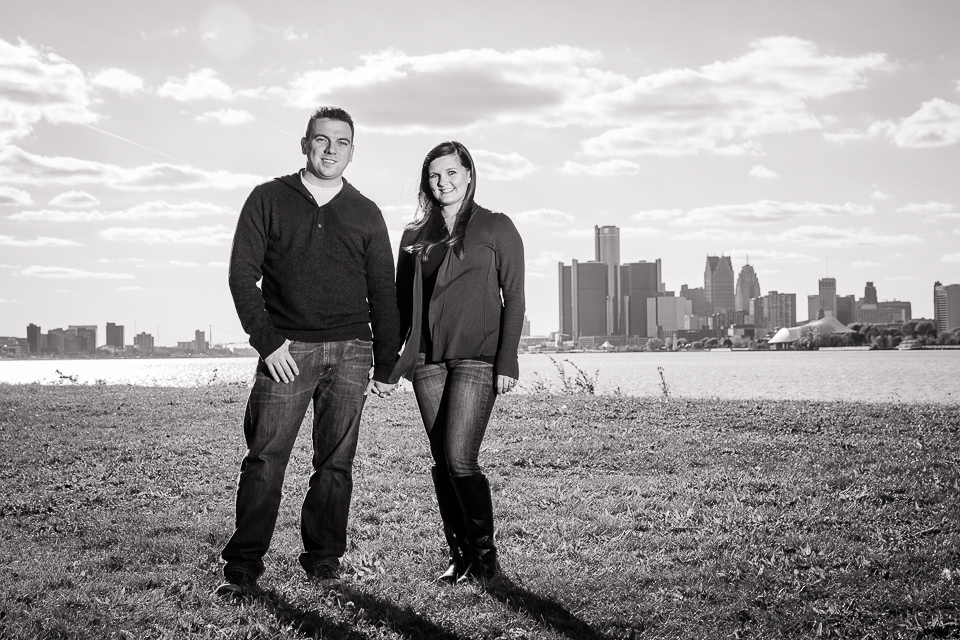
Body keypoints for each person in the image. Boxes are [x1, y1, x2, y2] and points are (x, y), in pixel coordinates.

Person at [217, 106, 401, 598]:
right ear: (305, 143)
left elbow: (384, 291)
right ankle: (243, 564)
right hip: (287, 350)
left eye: (341, 142)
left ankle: (323, 558)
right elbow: (241, 276)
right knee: (265, 458)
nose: (330, 150)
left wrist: (387, 362)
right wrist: (268, 341)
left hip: (352, 351)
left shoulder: (366, 212)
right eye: (322, 140)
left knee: (336, 464)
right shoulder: (268, 199)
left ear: (352, 150)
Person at [390, 141, 525, 584]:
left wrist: (507, 362)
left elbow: (515, 297)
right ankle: (460, 555)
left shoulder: (495, 227)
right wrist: (388, 365)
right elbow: (398, 305)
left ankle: (486, 560)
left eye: (451, 173)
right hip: (427, 360)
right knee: (440, 460)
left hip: (477, 358)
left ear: (468, 173)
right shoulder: (414, 237)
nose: (443, 182)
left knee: (459, 457)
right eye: (435, 176)